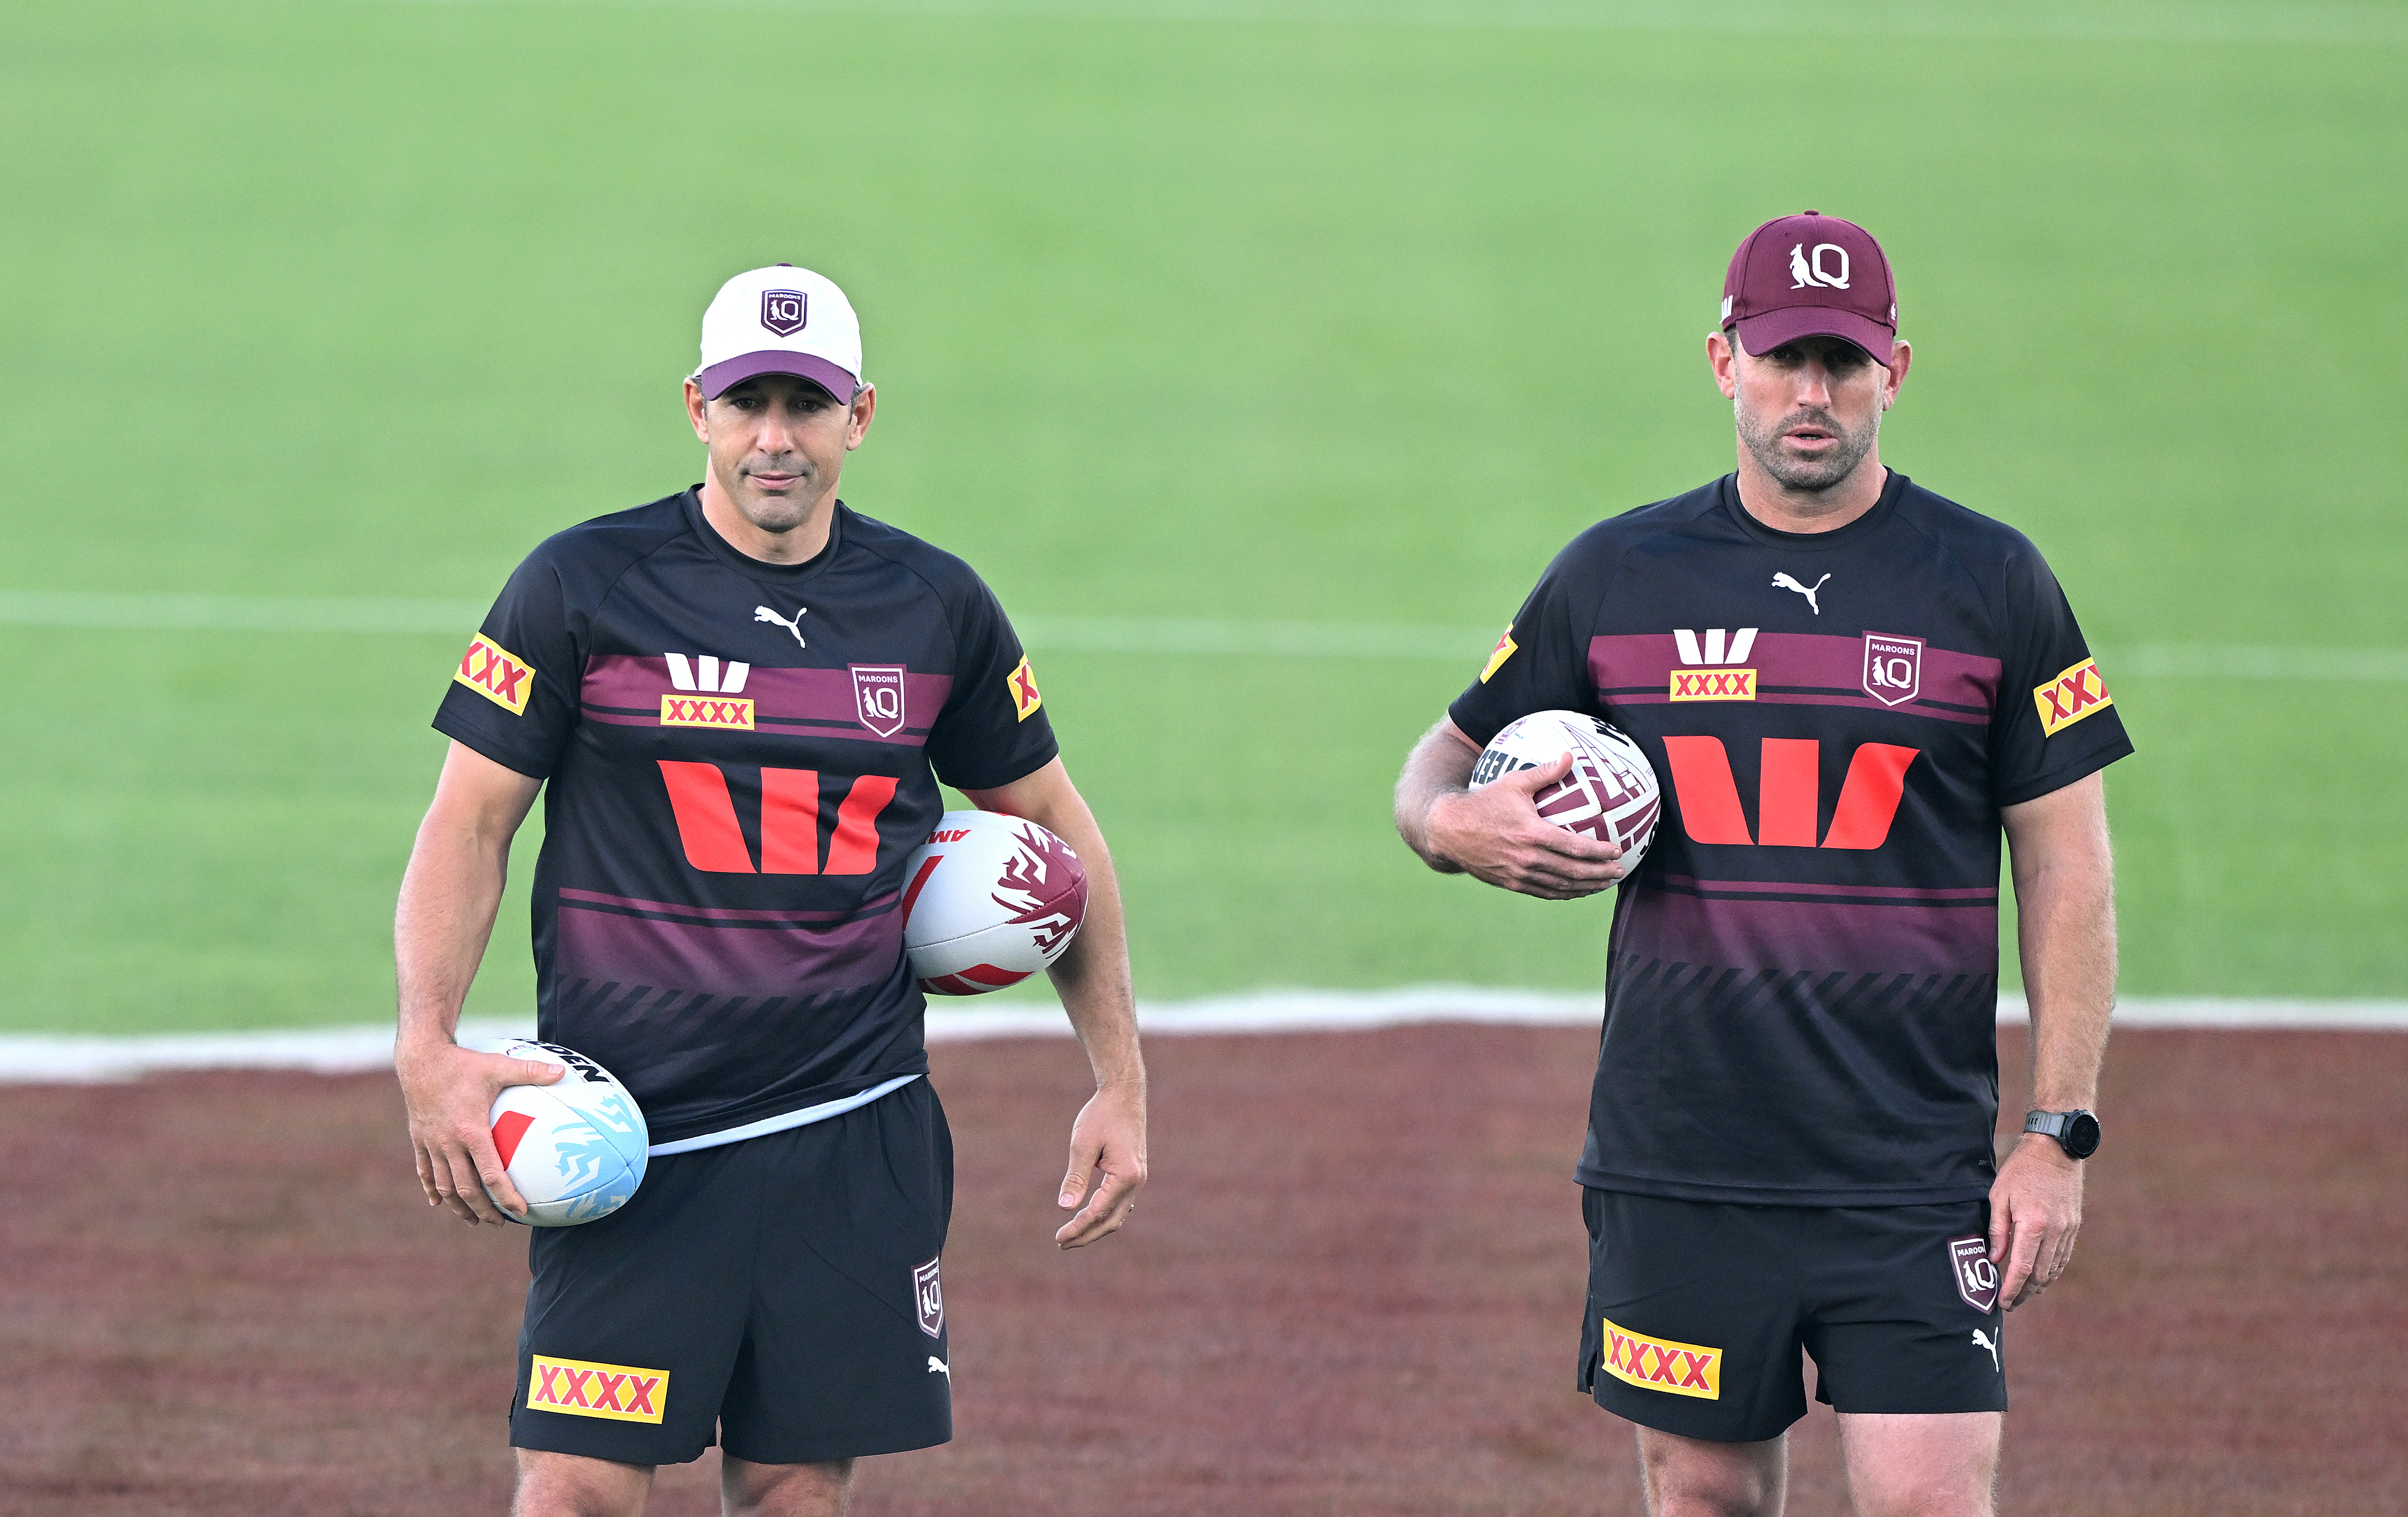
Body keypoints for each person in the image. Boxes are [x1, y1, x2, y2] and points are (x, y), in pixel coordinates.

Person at [1394, 212, 2127, 1517]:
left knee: (1924, 1505)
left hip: (1908, 1169)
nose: (1810, 394)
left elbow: (2068, 871)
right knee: (1702, 1504)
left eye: (1841, 364)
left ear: (1893, 370)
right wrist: (1456, 831)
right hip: (1679, 1158)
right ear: (1721, 360)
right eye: (1782, 358)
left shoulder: (1991, 580)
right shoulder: (1615, 575)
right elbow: (1432, 774)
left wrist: (2055, 1137)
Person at [394, 264, 1146, 1517]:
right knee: (576, 1485)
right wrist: (426, 1046)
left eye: (807, 405)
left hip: (851, 1130)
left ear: (860, 415)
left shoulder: (935, 608)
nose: (775, 439)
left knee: (796, 1492)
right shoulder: (581, 586)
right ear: (697, 408)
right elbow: (470, 821)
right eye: (750, 404)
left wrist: (1119, 1077)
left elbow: (1056, 833)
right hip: (631, 1135)